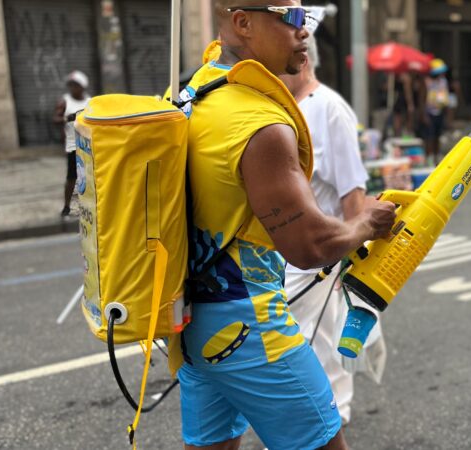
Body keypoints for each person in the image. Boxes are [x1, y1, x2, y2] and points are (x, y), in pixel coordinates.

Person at [178, 2, 396, 450]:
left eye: (307, 18)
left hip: (191, 322)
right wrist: (365, 224)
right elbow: (310, 244)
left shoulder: (195, 93)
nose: (305, 31)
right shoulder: (261, 124)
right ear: (242, 22)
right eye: (292, 18)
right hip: (250, 325)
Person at [280, 34, 378, 427]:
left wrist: (351, 265)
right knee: (295, 351)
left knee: (318, 351)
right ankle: (308, 426)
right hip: (286, 260)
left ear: (302, 60)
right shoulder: (287, 108)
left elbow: (353, 195)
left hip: (320, 260)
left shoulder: (330, 110)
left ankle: (330, 424)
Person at [52, 71, 91, 217]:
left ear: (83, 87)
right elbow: (54, 119)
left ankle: (90, 204)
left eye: (76, 85)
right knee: (71, 177)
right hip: (73, 145)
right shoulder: (65, 101)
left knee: (89, 176)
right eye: (71, 85)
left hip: (88, 145)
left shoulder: (89, 101)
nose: (73, 88)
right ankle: (67, 206)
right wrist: (66, 118)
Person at [420, 58, 450, 164]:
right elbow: (422, 99)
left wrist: (446, 114)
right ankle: (429, 158)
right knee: (429, 137)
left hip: (440, 112)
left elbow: (445, 98)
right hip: (429, 113)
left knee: (437, 136)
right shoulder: (427, 82)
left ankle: (436, 157)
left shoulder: (443, 82)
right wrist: (424, 115)